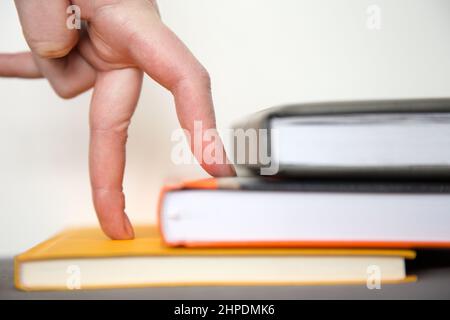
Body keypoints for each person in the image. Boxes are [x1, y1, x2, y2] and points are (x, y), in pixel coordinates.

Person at [0, 0, 236, 240]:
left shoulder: (109, 40)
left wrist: (114, 7)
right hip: (106, 28)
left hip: (109, 35)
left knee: (56, 45)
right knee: (54, 42)